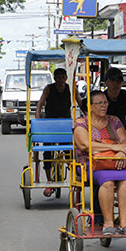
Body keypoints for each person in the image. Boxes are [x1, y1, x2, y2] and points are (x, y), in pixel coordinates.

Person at [73, 90, 126, 235]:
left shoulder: (114, 121)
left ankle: (124, 223)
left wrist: (121, 152)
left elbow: (125, 142)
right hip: (91, 163)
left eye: (105, 102)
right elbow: (85, 145)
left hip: (115, 162)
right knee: (107, 182)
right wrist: (114, 147)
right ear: (90, 106)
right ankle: (108, 223)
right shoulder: (81, 123)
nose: (103, 105)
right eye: (99, 103)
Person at [35, 68, 79, 196]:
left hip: (65, 124)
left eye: (62, 77)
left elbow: (80, 103)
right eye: (58, 77)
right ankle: (49, 181)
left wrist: (87, 115)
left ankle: (74, 179)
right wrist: (38, 121)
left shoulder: (72, 89)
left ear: (66, 78)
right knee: (47, 152)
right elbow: (40, 104)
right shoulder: (49, 88)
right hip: (50, 123)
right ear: (54, 78)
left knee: (70, 152)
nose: (60, 80)